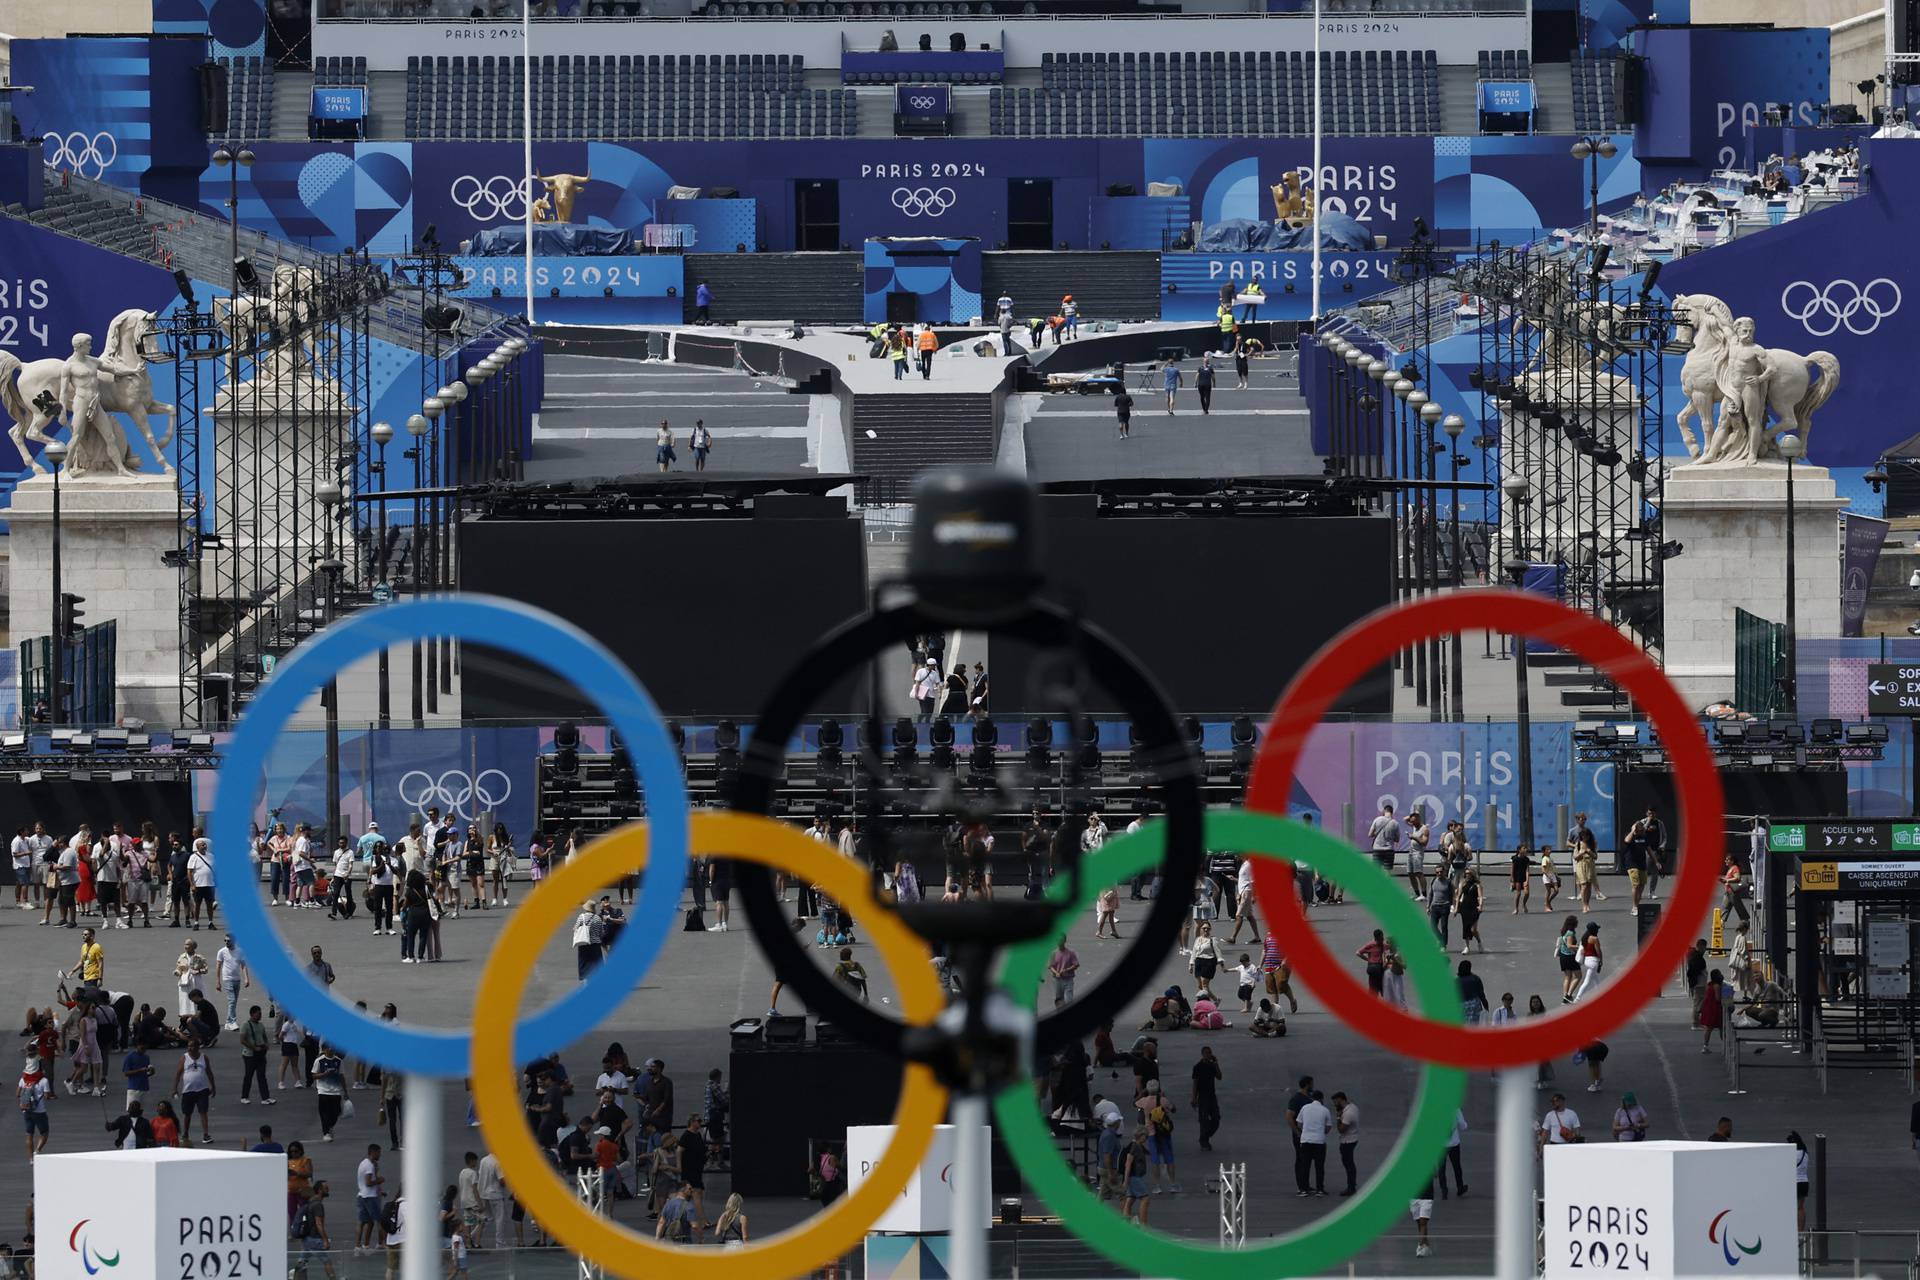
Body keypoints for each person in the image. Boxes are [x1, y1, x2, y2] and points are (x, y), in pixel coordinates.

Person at [1134, 1077, 1178, 1193]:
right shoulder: (1163, 1100)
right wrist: (1163, 1097)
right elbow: (1173, 1109)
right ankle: (1173, 1184)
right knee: (1169, 1159)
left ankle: (1157, 1186)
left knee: (1155, 1160)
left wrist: (1143, 1092)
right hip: (1164, 1133)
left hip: (1151, 1133)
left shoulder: (1144, 1101)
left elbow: (1135, 1103)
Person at [172, 1039, 217, 1144]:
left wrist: (213, 1087)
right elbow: (178, 1073)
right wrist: (174, 1088)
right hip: (188, 1090)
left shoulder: (204, 1057)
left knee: (203, 1112)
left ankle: (206, 1134)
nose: (189, 1048)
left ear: (197, 1047)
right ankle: (185, 1133)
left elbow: (209, 1072)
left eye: (192, 1046)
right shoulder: (185, 1057)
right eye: (188, 1046)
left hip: (202, 1089)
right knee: (187, 1114)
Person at [1295, 1089, 1332, 1196]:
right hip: (1319, 1141)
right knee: (1319, 1167)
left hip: (1306, 1140)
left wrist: (1305, 1131)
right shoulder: (1325, 1110)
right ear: (1321, 1099)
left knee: (1305, 1166)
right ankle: (1319, 1189)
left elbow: (1299, 1124)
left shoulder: (1305, 1108)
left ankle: (1303, 1190)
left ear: (1312, 1098)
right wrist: (1321, 1132)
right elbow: (1328, 1127)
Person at [238, 1004, 274, 1105]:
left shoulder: (261, 1025)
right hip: (249, 1054)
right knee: (248, 1075)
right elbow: (242, 1040)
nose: (260, 1015)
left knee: (262, 1075)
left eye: (260, 1013)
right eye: (258, 1014)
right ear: (252, 1014)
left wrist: (266, 1044)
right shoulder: (245, 1025)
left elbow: (264, 1036)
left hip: (260, 1053)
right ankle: (244, 1096)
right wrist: (254, 1047)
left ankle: (265, 1097)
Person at [17, 1057, 51, 1158]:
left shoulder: (23, 1079)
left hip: (26, 1110)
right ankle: (37, 1151)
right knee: (44, 1133)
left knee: (29, 1135)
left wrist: (25, 1098)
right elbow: (47, 1096)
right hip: (40, 1111)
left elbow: (17, 1094)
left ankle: (31, 1158)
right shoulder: (44, 1080)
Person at [1190, 1046, 1222, 1151]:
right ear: (1202, 1054)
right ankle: (1204, 1141)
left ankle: (1204, 1137)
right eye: (1206, 1053)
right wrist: (1193, 1098)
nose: (1208, 1055)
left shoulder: (1212, 1065)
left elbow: (1219, 1077)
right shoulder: (1197, 1067)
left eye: (1210, 1053)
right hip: (1202, 1097)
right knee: (1204, 1121)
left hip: (1212, 1096)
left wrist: (1216, 1063)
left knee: (1216, 1119)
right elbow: (1195, 1083)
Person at [356, 1143, 387, 1249]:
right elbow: (368, 1182)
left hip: (362, 1195)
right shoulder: (369, 1165)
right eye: (378, 1153)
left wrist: (380, 1190)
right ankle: (382, 1243)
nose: (380, 1155)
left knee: (364, 1222)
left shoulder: (364, 1163)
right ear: (372, 1153)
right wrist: (380, 1180)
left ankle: (360, 1245)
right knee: (379, 1221)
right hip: (370, 1197)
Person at [214, 935, 248, 1030]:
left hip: (237, 979)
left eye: (228, 941)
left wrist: (246, 978)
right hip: (227, 979)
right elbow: (218, 966)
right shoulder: (221, 952)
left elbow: (243, 966)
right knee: (232, 1000)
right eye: (225, 940)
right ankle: (232, 1022)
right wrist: (218, 981)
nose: (226, 942)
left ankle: (228, 1022)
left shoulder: (240, 951)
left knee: (233, 1002)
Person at [1120, 1128, 1153, 1225]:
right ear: (1141, 1136)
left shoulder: (1138, 1145)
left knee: (1131, 1198)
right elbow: (1128, 1164)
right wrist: (1125, 1181)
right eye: (1145, 1136)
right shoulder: (1134, 1146)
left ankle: (1126, 1220)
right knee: (1145, 1199)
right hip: (1134, 1176)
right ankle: (1144, 1224)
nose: (1146, 1138)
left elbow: (1148, 1152)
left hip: (1134, 1176)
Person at [1333, 1091, 1360, 1195]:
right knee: (1349, 1164)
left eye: (1335, 1102)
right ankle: (1352, 1185)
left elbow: (1341, 1129)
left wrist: (1338, 1117)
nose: (1334, 1104)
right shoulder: (1353, 1106)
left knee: (1349, 1164)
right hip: (1352, 1138)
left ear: (1340, 1100)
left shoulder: (1348, 1113)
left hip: (1348, 1141)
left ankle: (1351, 1188)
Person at [1697, 968, 1728, 1052]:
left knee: (1708, 1028)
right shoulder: (1717, 986)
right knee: (1721, 1027)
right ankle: (1725, 1045)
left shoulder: (1709, 984)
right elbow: (1718, 998)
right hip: (1715, 1008)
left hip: (1707, 1007)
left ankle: (1705, 1046)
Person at [1368, 803, 1401, 872]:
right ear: (1392, 812)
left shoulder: (1377, 820)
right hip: (1389, 850)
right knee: (1387, 871)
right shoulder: (1395, 823)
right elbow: (1397, 839)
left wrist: (1377, 834)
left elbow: (1370, 834)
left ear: (1384, 811)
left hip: (1377, 849)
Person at [1047, 936, 1080, 1007]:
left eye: (1061, 940)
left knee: (1069, 1000)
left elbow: (1076, 965)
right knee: (1059, 1001)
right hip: (1057, 980)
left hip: (1068, 979)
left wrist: (1066, 970)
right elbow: (1050, 966)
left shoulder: (1071, 953)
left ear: (1065, 941)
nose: (1059, 942)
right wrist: (1056, 973)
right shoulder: (1053, 953)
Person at [1356, 929, 1388, 996]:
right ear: (1376, 938)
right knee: (1375, 990)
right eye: (1381, 938)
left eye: (1382, 937)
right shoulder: (1371, 945)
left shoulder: (1384, 945)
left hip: (1379, 968)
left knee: (1382, 989)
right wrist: (1368, 959)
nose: (1382, 939)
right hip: (1374, 968)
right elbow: (1358, 953)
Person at [1457, 959, 1488, 1024]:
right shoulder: (1475, 978)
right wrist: (1486, 1005)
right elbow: (1481, 994)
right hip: (1474, 1005)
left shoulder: (1456, 981)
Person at [1511, 843, 1532, 913]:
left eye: (1526, 848)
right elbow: (1512, 869)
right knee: (1518, 893)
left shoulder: (1526, 859)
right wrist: (1512, 880)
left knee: (1527, 893)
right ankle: (1516, 908)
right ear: (1519, 850)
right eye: (1524, 848)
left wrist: (1527, 880)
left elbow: (1527, 870)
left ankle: (1524, 904)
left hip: (1524, 877)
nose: (1526, 849)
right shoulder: (1515, 858)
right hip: (1517, 877)